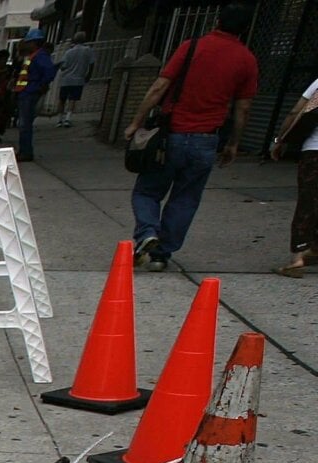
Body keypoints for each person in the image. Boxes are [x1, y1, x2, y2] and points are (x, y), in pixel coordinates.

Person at [122, 4, 258, 272]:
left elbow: (160, 86)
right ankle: (162, 254)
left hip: (171, 135)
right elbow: (243, 108)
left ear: (217, 21)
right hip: (207, 140)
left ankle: (147, 231)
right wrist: (233, 143)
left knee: (147, 190)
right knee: (185, 198)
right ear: (245, 29)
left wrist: (137, 121)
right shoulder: (247, 59)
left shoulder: (192, 47)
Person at [268, 77, 318, 277]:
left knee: (308, 203)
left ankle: (297, 257)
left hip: (315, 152)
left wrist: (281, 139)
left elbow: (297, 111)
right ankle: (314, 248)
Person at [13, 29, 56, 161]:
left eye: (28, 42)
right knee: (24, 124)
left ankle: (25, 152)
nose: (26, 45)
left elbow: (49, 72)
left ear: (35, 42)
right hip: (25, 92)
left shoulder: (40, 56)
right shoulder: (33, 56)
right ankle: (23, 150)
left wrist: (39, 86)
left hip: (29, 93)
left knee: (25, 124)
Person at [55, 31, 95, 127]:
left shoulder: (69, 52)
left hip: (66, 79)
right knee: (73, 99)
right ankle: (68, 119)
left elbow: (63, 67)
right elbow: (92, 63)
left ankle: (59, 120)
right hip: (78, 79)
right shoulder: (88, 50)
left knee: (62, 99)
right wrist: (88, 75)